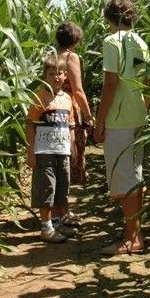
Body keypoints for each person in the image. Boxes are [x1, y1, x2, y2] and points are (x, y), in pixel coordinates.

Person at [93, 0, 150, 255]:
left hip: (119, 119)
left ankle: (132, 239)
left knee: (125, 179)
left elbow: (110, 84)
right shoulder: (140, 41)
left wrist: (99, 121)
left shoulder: (111, 42)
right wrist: (146, 108)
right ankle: (134, 233)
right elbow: (149, 82)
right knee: (135, 176)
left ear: (108, 18)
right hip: (138, 116)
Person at [25, 54, 79, 243]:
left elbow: (71, 126)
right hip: (44, 152)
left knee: (61, 187)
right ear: (44, 76)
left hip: (62, 151)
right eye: (51, 74)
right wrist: (30, 151)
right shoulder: (39, 98)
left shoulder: (67, 99)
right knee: (46, 188)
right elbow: (30, 125)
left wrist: (72, 146)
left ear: (65, 76)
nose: (56, 77)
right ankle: (46, 227)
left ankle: (56, 224)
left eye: (60, 73)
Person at [55, 21, 94, 189]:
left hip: (53, 110)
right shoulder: (71, 57)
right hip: (69, 111)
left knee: (58, 156)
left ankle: (58, 207)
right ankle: (64, 208)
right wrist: (88, 116)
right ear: (76, 39)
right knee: (73, 154)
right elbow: (77, 90)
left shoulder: (53, 55)